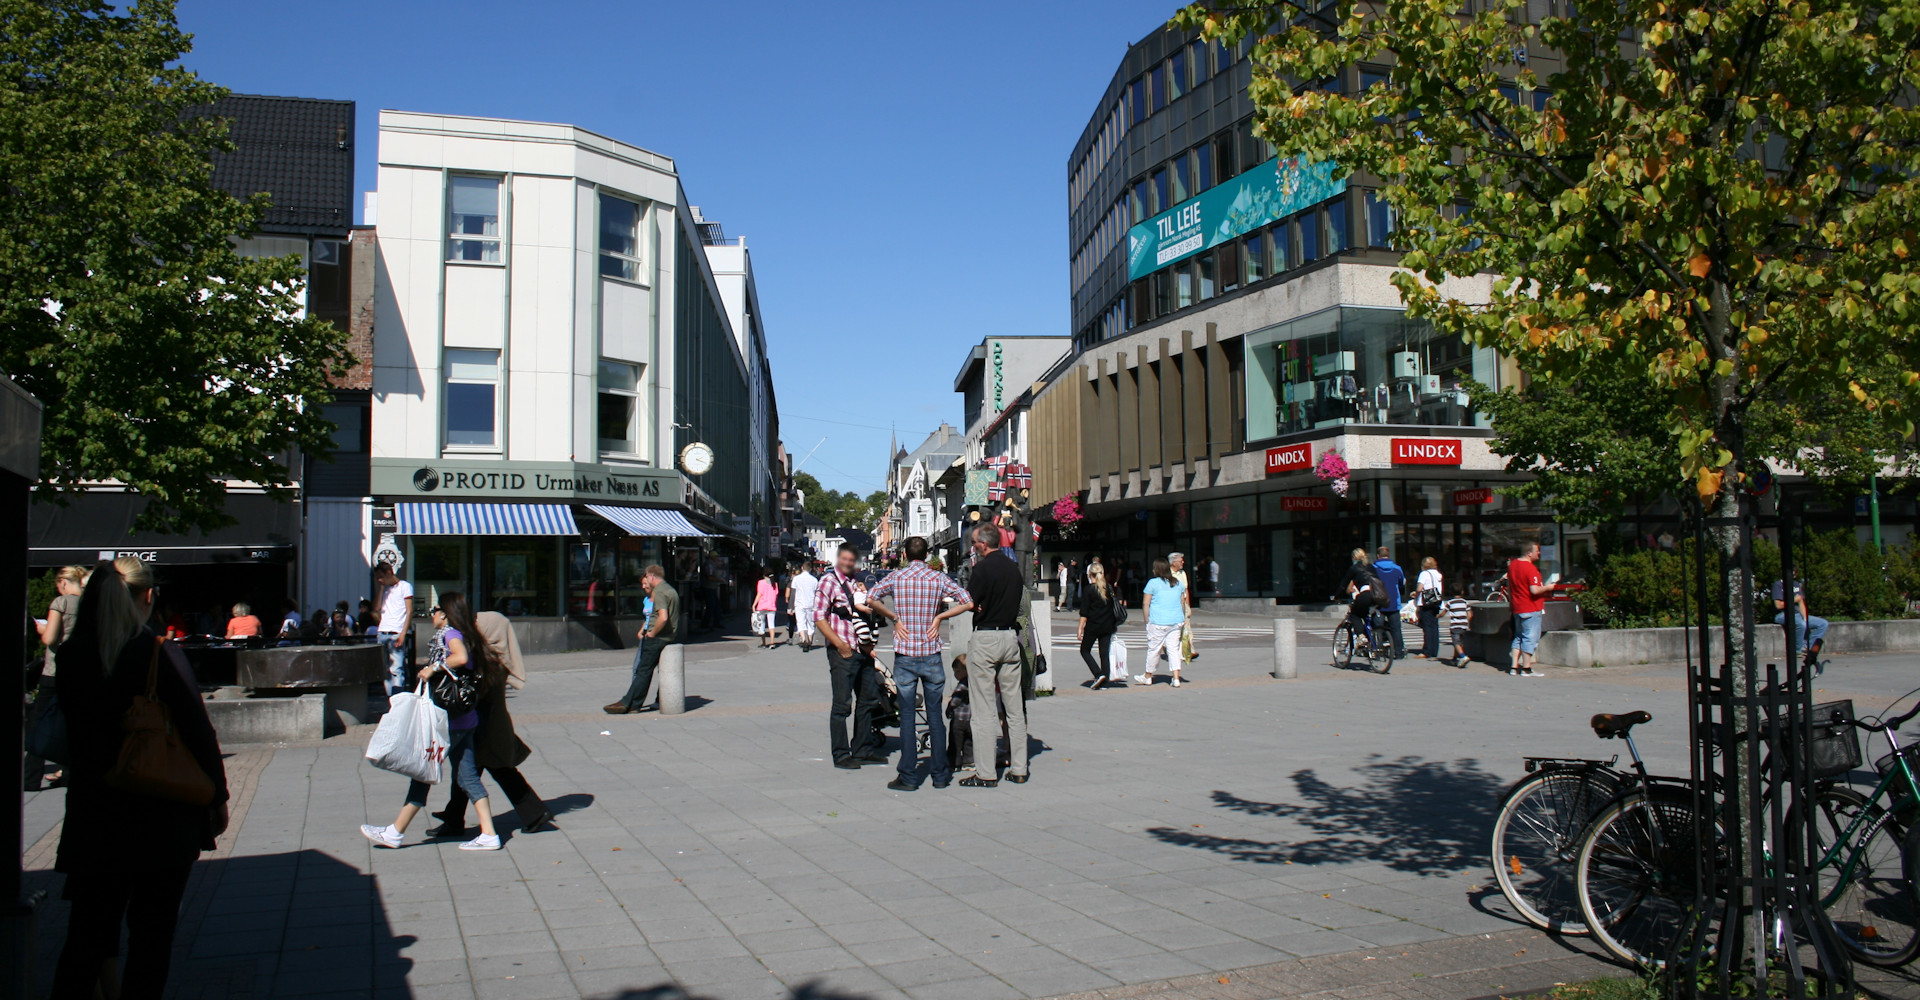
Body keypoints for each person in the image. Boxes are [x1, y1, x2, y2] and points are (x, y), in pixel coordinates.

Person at [51, 557, 230, 1000]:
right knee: (152, 939)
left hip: (94, 812)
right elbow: (197, 730)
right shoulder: (154, 653)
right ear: (148, 597)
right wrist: (217, 797)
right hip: (160, 812)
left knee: (87, 937)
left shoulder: (73, 657)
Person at [361, 593, 502, 851]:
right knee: (467, 777)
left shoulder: (450, 635)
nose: (431, 614)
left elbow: (459, 658)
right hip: (464, 720)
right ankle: (489, 833)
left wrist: (434, 668)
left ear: (446, 613)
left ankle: (395, 832)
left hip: (448, 722)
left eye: (435, 610)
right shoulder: (464, 633)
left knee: (422, 773)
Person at [430, 610, 552, 837]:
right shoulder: (494, 658)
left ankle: (535, 813)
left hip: (486, 728)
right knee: (471, 770)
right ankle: (454, 816)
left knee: (486, 770)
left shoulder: (490, 664)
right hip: (488, 726)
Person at [865, 536, 973, 791]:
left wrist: (894, 617)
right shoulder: (938, 578)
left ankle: (908, 775)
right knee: (935, 716)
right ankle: (940, 774)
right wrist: (940, 617)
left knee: (908, 716)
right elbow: (968, 601)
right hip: (931, 652)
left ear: (904, 554)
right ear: (926, 555)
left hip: (905, 654)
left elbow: (870, 597)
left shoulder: (897, 577)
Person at [961, 524, 1029, 786]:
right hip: (1010, 638)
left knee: (984, 708)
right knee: (1014, 709)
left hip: (986, 636)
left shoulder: (982, 569)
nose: (974, 546)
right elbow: (1021, 604)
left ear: (983, 545)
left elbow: (971, 601)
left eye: (975, 542)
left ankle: (986, 772)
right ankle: (1019, 768)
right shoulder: (1014, 569)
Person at [816, 544, 888, 769]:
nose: (848, 563)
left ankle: (863, 749)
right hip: (842, 652)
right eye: (845, 559)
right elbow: (819, 616)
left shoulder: (856, 581)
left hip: (863, 650)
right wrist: (839, 645)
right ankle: (841, 754)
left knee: (867, 700)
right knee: (842, 705)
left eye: (851, 560)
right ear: (839, 559)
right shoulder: (829, 582)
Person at [26, 565, 87, 791]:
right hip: (80, 671)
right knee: (73, 725)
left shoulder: (60, 603)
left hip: (54, 671)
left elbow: (51, 638)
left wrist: (42, 629)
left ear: (62, 583)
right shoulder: (91, 604)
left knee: (40, 723)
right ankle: (70, 774)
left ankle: (30, 778)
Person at [604, 566, 677, 714]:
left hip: (657, 637)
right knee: (649, 670)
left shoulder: (659, 592)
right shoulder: (671, 590)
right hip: (669, 636)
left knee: (643, 671)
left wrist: (651, 633)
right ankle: (633, 703)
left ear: (651, 576)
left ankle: (628, 703)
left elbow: (663, 618)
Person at [1135, 559, 1188, 687]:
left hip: (1158, 621)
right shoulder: (1178, 583)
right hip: (1176, 621)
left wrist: (1146, 620)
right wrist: (1182, 618)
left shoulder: (1152, 583)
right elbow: (1182, 603)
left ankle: (1148, 676)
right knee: (1173, 650)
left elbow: (1146, 603)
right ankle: (1176, 678)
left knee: (1154, 649)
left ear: (1157, 570)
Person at [1077, 562, 1122, 689]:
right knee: (1104, 653)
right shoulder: (1108, 588)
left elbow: (1084, 611)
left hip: (1093, 625)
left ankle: (1098, 673)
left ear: (1090, 575)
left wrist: (1080, 628)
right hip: (1108, 625)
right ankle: (1105, 681)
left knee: (1085, 650)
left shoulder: (1088, 589)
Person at [1508, 542, 1549, 677]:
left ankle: (1514, 666)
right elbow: (1535, 590)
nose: (1539, 553)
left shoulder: (1513, 565)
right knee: (1530, 638)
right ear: (1529, 553)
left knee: (1518, 637)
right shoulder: (1530, 568)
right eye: (1537, 551)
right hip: (1530, 607)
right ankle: (1526, 668)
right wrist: (1549, 587)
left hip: (1517, 607)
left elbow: (1510, 587)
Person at [1773, 577, 1829, 673]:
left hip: (1797, 614)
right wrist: (1793, 600)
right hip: (1783, 614)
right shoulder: (1778, 585)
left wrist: (1806, 619)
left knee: (1823, 623)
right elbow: (1778, 605)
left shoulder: (1796, 585)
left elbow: (1801, 603)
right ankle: (1797, 650)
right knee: (1801, 624)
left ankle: (1808, 648)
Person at [374, 562, 414, 693]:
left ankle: (397, 697)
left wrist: (403, 633)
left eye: (381, 577)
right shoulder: (386, 589)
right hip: (383, 630)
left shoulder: (405, 586)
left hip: (396, 631)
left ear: (389, 573)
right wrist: (381, 589)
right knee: (385, 669)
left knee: (396, 668)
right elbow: (376, 608)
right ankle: (390, 697)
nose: (380, 580)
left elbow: (409, 611)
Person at [1372, 546, 1408, 659]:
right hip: (1393, 602)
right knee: (1396, 629)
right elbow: (1402, 583)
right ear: (1389, 555)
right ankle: (1399, 652)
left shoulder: (1373, 568)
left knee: (1378, 628)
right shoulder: (1397, 568)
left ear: (1378, 556)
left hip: (1378, 602)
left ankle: (1377, 651)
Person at [1170, 552, 1198, 667]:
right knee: (1173, 629)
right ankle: (1170, 649)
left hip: (1183, 603)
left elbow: (1186, 589)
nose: (1183, 562)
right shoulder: (1167, 574)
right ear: (1174, 562)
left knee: (1187, 626)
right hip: (1173, 604)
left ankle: (1190, 651)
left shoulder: (1182, 573)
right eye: (1181, 561)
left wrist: (1188, 605)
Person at [1414, 556, 1445, 659]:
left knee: (1427, 627)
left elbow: (1420, 588)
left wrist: (1415, 595)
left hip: (1426, 602)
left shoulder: (1424, 574)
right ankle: (1434, 650)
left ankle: (1427, 650)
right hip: (1436, 602)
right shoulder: (1438, 574)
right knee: (1434, 626)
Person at [790, 561, 821, 652]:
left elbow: (793, 592)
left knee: (801, 622)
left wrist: (790, 606)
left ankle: (803, 640)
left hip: (799, 603)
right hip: (811, 604)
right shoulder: (814, 580)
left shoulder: (796, 579)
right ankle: (810, 641)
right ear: (810, 569)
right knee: (811, 623)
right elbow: (817, 593)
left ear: (802, 568)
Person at [1444, 583, 1473, 668]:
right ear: (1462, 592)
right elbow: (1470, 615)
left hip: (1455, 626)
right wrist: (1467, 622)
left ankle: (1463, 656)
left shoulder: (1450, 602)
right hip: (1463, 626)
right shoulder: (1465, 602)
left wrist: (1439, 616)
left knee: (1456, 642)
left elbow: (1444, 612)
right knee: (1460, 642)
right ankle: (1455, 658)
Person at [752, 566, 780, 648]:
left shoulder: (761, 582)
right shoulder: (775, 584)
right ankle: (772, 642)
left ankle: (764, 643)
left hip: (762, 606)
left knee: (762, 625)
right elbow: (776, 594)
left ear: (764, 574)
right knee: (771, 625)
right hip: (772, 607)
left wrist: (754, 604)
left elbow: (759, 594)